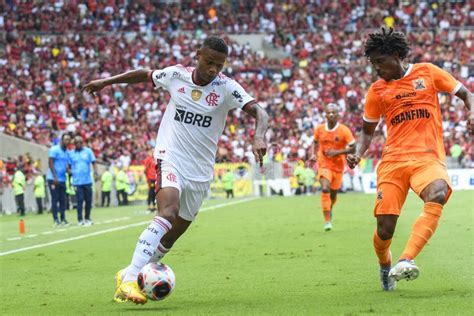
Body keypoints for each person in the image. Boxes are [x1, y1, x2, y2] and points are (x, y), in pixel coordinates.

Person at [82, 35, 268, 304]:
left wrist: (259, 135)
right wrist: (107, 82)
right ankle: (131, 278)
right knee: (167, 212)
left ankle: (136, 270)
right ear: (197, 55)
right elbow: (144, 75)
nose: (214, 69)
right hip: (170, 156)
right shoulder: (175, 75)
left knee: (175, 231)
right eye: (209, 62)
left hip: (201, 170)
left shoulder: (227, 88)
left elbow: (261, 112)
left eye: (219, 65)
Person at [346, 28, 473, 291]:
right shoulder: (376, 91)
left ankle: (406, 259)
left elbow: (467, 95)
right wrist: (358, 152)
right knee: (385, 229)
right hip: (393, 162)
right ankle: (385, 263)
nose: (376, 69)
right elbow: (366, 133)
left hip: (428, 158)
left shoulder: (427, 72)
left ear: (396, 55)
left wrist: (472, 113)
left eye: (380, 62)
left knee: (437, 193)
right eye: (373, 64)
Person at [309, 104, 355, 231]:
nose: (330, 115)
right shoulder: (319, 129)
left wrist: (337, 152)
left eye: (333, 113)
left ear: (338, 115)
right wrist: (313, 154)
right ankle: (327, 221)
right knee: (325, 188)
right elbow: (315, 142)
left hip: (338, 166)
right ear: (325, 115)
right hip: (323, 163)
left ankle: (329, 208)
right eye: (328, 112)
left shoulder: (344, 130)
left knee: (333, 195)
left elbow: (353, 147)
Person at [68, 135, 97, 226]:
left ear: (83, 143)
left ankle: (87, 217)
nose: (79, 144)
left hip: (87, 180)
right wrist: (70, 172)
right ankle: (80, 219)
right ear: (74, 144)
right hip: (77, 181)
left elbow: (93, 162)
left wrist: (95, 172)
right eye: (77, 143)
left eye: (80, 142)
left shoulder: (88, 151)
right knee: (80, 200)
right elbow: (68, 166)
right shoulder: (71, 153)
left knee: (88, 200)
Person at [47, 133, 71, 226]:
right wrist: (54, 177)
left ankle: (63, 218)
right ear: (62, 140)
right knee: (55, 199)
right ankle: (56, 219)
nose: (67, 141)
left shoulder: (67, 152)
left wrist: (68, 171)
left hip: (62, 179)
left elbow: (65, 166)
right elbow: (50, 162)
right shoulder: (54, 149)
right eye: (66, 139)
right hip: (53, 179)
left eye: (69, 140)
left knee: (63, 199)